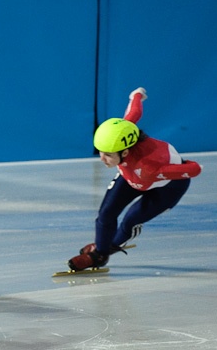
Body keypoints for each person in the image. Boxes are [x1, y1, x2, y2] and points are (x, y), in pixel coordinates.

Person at [67, 87, 202, 271]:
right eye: (100, 152)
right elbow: (134, 112)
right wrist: (137, 95)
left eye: (107, 154)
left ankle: (107, 249)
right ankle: (100, 253)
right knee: (106, 214)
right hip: (135, 175)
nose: (101, 158)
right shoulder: (122, 132)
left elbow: (193, 170)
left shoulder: (149, 167)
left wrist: (194, 166)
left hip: (169, 185)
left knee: (130, 220)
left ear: (125, 152)